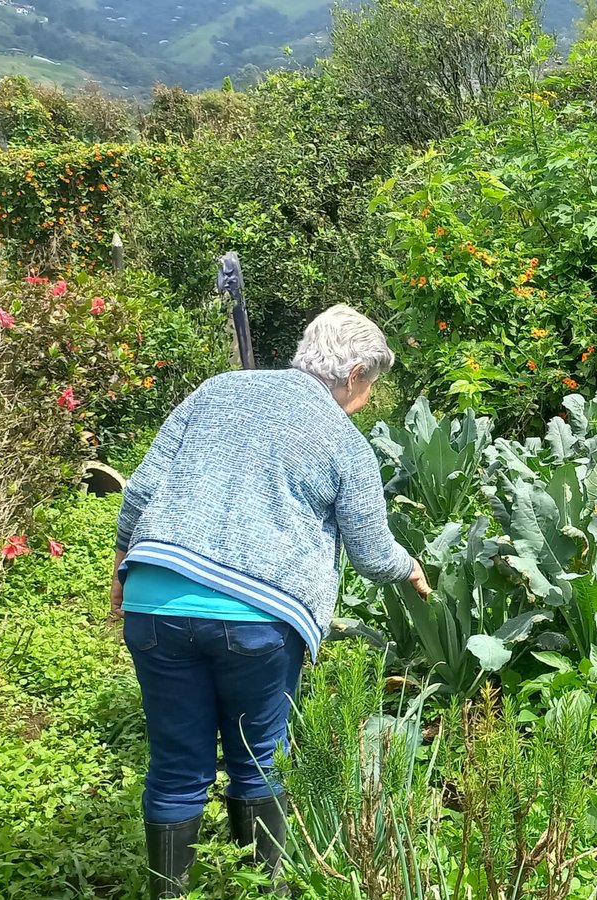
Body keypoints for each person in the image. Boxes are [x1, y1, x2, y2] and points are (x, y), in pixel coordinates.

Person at [110, 305, 430, 897]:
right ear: (356, 373)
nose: (367, 397)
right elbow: (369, 552)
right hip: (258, 616)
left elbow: (144, 489)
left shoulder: (215, 391)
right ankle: (264, 887)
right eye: (371, 384)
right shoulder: (343, 441)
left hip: (155, 597)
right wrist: (408, 565)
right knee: (257, 759)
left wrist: (123, 573)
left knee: (177, 767)